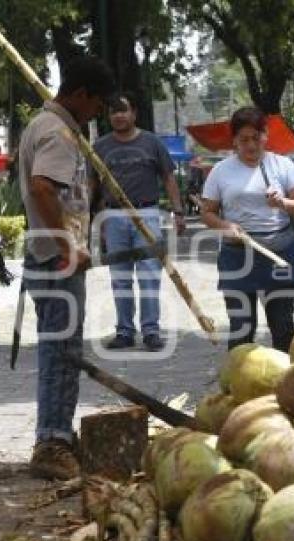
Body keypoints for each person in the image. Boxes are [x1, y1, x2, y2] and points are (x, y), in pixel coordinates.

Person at [19, 56, 115, 480]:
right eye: (97, 104)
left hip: (53, 258)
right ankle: (53, 442)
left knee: (62, 349)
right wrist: (68, 245)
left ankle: (57, 433)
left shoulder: (52, 126)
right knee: (62, 353)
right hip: (56, 262)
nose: (98, 113)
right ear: (80, 95)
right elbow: (42, 188)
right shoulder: (56, 132)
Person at [201, 106, 294, 352]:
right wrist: (225, 226)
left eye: (256, 137)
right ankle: (237, 384)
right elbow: (207, 212)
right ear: (234, 141)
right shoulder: (221, 170)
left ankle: (286, 383)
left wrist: (282, 202)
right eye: (243, 140)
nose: (251, 145)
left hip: (279, 253)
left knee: (283, 325)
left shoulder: (283, 165)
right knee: (242, 326)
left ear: (265, 135)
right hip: (237, 255)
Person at [92, 92, 186, 352]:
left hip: (147, 214)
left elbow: (168, 178)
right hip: (113, 217)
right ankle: (124, 331)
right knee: (120, 277)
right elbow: (93, 187)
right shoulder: (100, 147)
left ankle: (151, 331)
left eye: (123, 110)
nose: (119, 116)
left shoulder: (152, 143)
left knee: (149, 275)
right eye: (113, 111)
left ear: (134, 113)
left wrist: (178, 212)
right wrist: (96, 221)